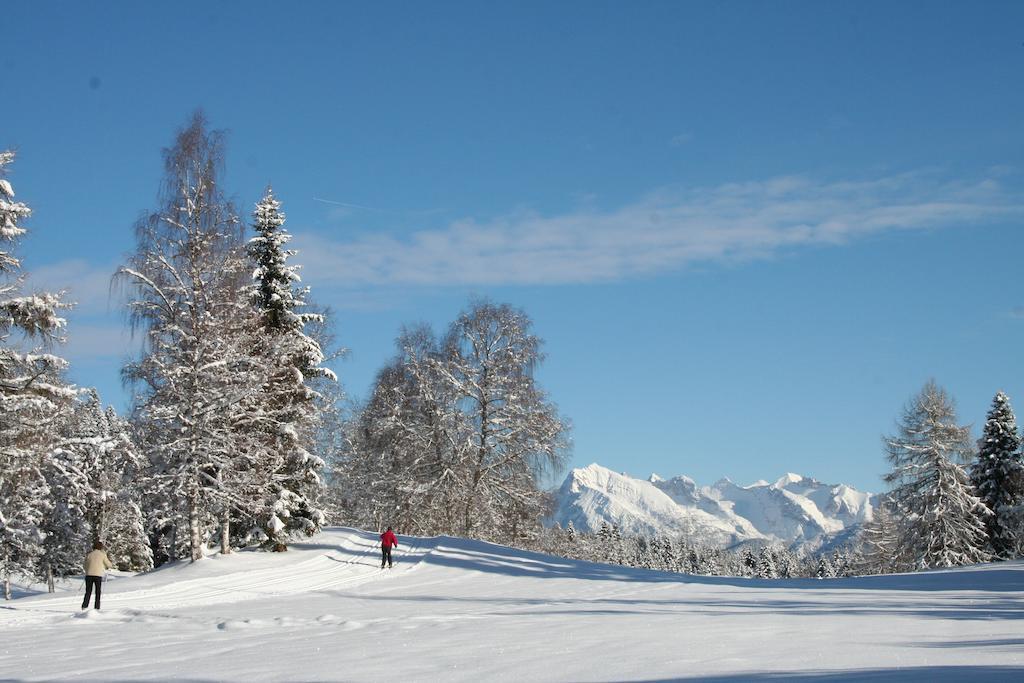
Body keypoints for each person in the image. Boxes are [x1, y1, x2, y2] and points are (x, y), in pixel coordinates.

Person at [82, 540, 114, 610]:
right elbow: (108, 564)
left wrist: (87, 570)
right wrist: (109, 566)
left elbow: (84, 565)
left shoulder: (89, 554)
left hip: (89, 575)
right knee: (98, 592)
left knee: (88, 592)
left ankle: (84, 606)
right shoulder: (102, 554)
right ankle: (97, 607)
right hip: (98, 575)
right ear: (101, 547)